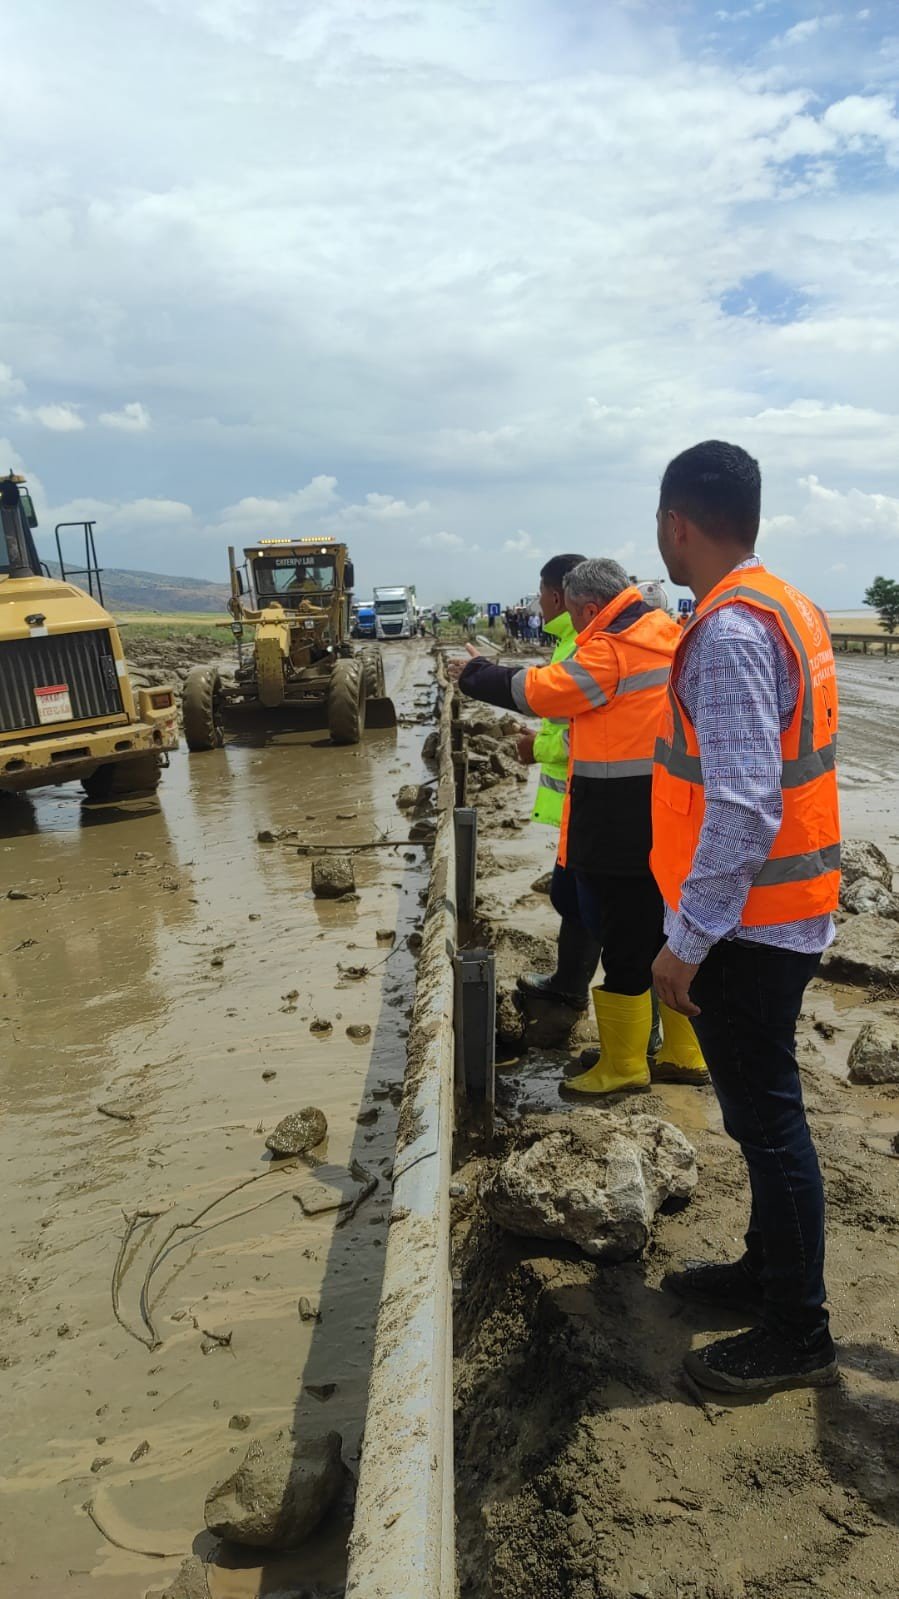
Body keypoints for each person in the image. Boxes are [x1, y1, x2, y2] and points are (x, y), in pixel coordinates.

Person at [651, 439, 841, 1397]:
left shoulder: (726, 631)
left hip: (747, 926)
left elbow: (741, 805)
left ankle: (797, 1330)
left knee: (768, 1124)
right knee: (763, 1114)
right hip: (783, 910)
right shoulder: (788, 604)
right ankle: (764, 1272)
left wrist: (685, 942)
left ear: (677, 523)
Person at [450, 559, 702, 1095]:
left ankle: (624, 1066)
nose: (579, 632)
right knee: (665, 934)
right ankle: (682, 1053)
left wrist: (475, 675)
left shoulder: (612, 648)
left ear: (590, 608)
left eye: (577, 617)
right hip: (670, 811)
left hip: (618, 819)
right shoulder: (666, 631)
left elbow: (544, 692)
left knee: (625, 945)